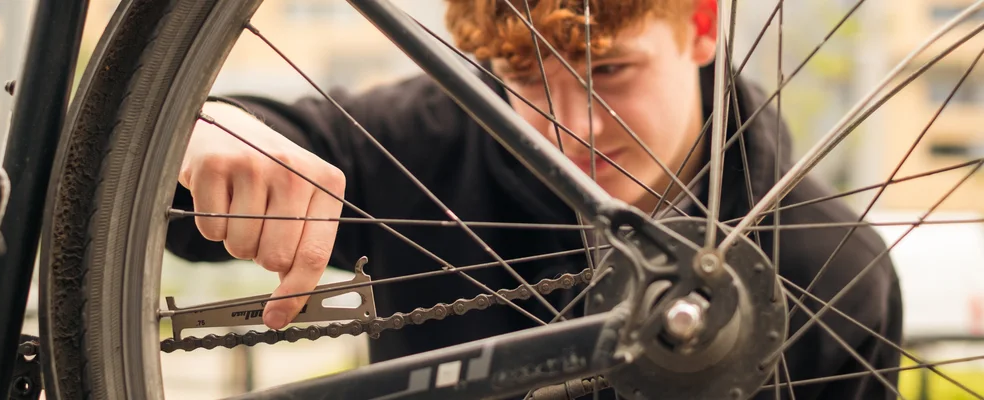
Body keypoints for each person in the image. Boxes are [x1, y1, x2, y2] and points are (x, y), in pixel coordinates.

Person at [166, 1, 903, 398]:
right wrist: (196, 133)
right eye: (527, 80)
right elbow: (180, 214)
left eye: (609, 70)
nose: (574, 125)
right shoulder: (424, 141)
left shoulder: (833, 267)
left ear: (701, 26)